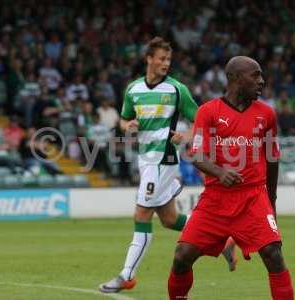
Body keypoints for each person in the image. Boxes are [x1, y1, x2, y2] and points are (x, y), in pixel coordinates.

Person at [99, 37, 237, 294]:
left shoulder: (176, 89)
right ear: (148, 59)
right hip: (146, 159)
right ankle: (223, 238)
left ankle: (126, 275)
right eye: (161, 59)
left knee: (141, 215)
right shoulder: (133, 90)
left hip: (164, 159)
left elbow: (201, 120)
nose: (165, 64)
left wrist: (185, 136)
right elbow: (124, 119)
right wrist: (126, 126)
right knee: (169, 219)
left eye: (168, 60)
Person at [167, 56, 295, 300]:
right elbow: (195, 153)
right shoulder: (208, 112)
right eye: (255, 75)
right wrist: (219, 172)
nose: (262, 81)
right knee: (182, 257)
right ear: (235, 79)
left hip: (253, 198)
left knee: (273, 254)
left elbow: (272, 159)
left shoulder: (266, 114)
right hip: (216, 200)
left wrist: (272, 200)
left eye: (261, 76)